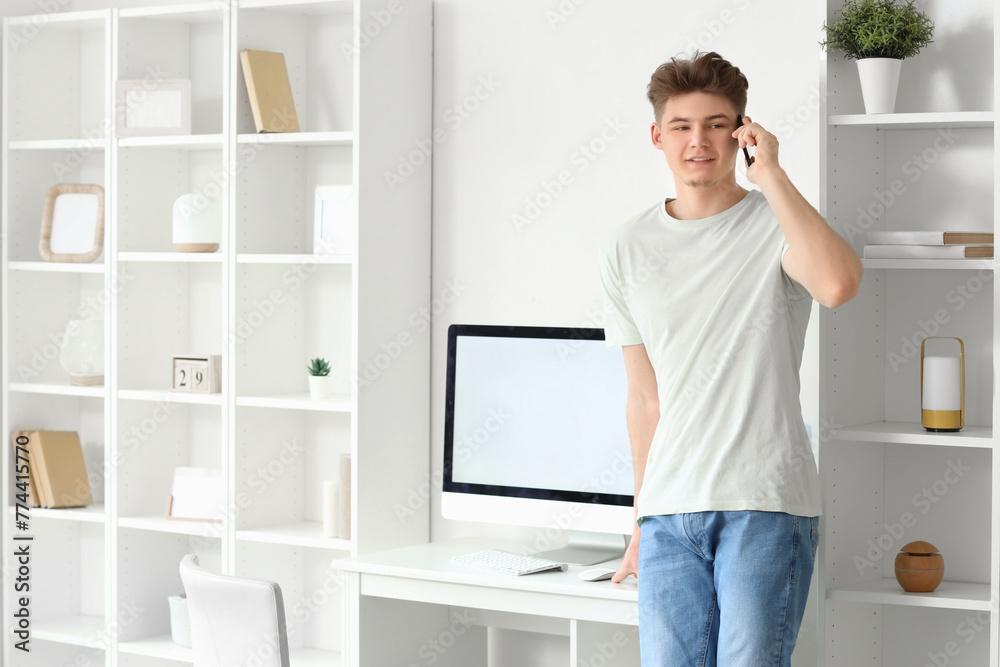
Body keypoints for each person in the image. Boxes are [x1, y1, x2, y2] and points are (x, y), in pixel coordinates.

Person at [598, 51, 862, 666]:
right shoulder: (625, 247)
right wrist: (641, 520)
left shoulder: (778, 225)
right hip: (669, 512)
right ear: (658, 136)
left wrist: (770, 174)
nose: (699, 141)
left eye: (717, 124)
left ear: (742, 131)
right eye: (684, 126)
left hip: (763, 504)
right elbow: (645, 396)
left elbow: (839, 285)